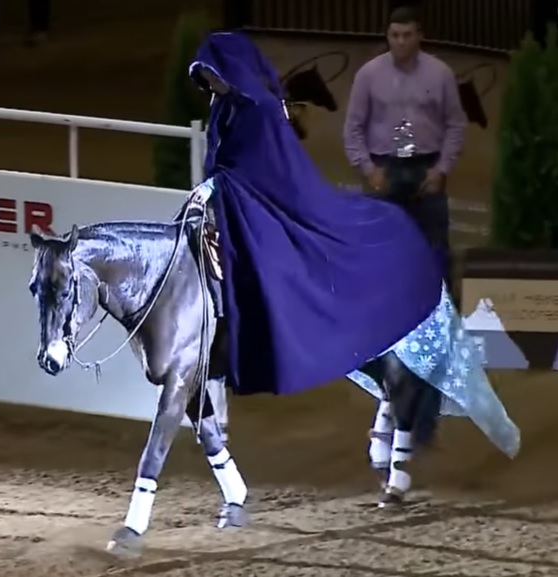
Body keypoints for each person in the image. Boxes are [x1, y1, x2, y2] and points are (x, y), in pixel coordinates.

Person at [183, 31, 442, 396]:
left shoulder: (261, 109)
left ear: (229, 70)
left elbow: (265, 168)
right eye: (203, 78)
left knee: (268, 260)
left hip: (260, 199)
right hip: (229, 195)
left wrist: (217, 186)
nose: (208, 84)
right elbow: (218, 158)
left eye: (210, 75)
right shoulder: (222, 104)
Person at [343, 6, 466, 283]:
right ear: (387, 36)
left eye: (407, 35)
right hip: (383, 166)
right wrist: (369, 170)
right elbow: (353, 128)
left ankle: (439, 304)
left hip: (427, 166)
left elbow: (455, 125)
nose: (400, 41)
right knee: (379, 247)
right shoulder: (368, 75)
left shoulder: (441, 74)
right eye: (394, 35)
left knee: (434, 246)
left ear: (420, 36)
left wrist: (442, 170)